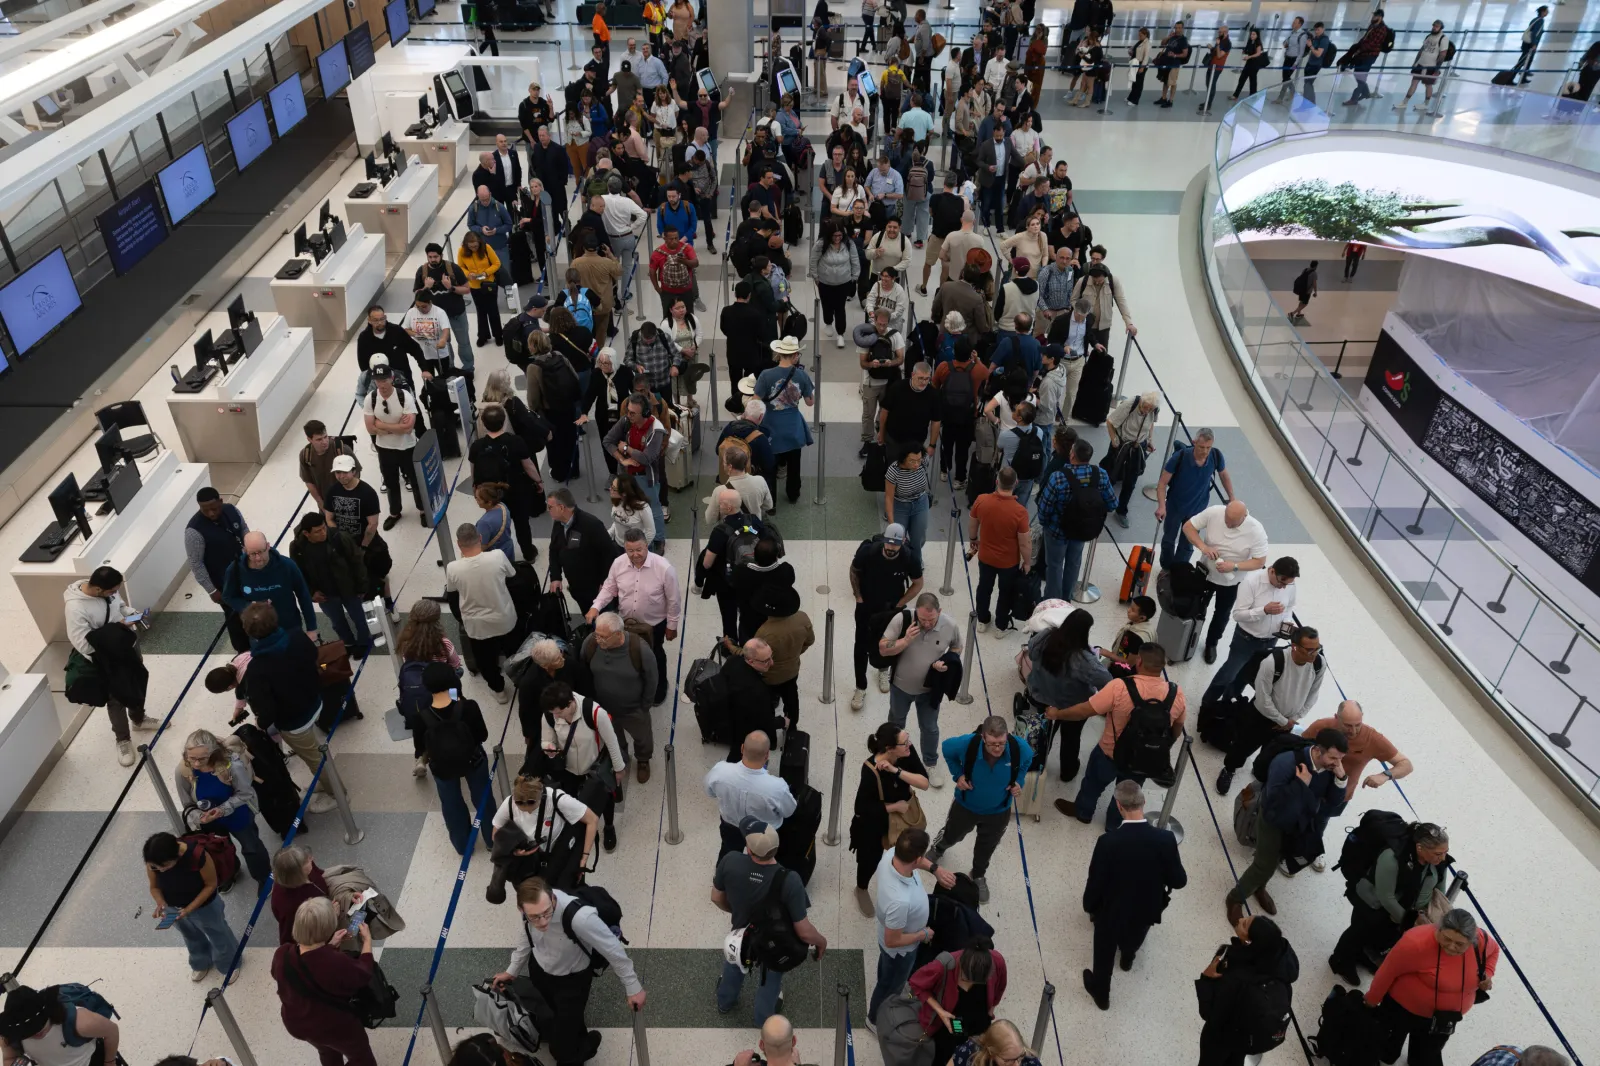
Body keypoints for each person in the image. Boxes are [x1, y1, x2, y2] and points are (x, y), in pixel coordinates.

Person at [492, 878, 645, 1066]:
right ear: (521, 910)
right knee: (563, 1017)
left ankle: (575, 1054)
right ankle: (579, 1038)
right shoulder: (530, 910)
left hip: (572, 982)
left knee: (561, 1049)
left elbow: (613, 950)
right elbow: (526, 936)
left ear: (553, 899)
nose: (542, 921)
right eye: (534, 917)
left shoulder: (580, 917)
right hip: (541, 973)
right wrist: (512, 970)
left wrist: (633, 987)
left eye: (547, 913)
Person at [1048, 643, 1187, 829]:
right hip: (1144, 758)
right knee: (1128, 794)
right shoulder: (1176, 693)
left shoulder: (1120, 687)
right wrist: (1161, 746)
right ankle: (1114, 824)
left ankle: (1083, 812)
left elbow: (1084, 711)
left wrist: (1058, 714)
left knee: (1093, 783)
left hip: (1109, 752)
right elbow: (1177, 727)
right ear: (1162, 666)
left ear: (1139, 661)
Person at [1080, 781, 1187, 1010]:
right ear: (1143, 802)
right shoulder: (1165, 840)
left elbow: (1096, 879)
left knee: (1104, 950)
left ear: (1118, 806)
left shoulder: (1108, 842)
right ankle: (1128, 958)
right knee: (1135, 935)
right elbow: (1179, 880)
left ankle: (1102, 994)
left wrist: (1089, 904)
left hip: (1111, 910)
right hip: (1146, 906)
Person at [1225, 727, 1349, 923]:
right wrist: (1300, 785)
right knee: (1263, 865)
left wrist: (1341, 779)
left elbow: (1333, 802)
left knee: (1278, 859)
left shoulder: (1332, 769)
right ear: (1318, 750)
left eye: (1340, 759)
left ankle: (1259, 887)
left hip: (1298, 824)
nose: (1337, 763)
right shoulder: (1286, 763)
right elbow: (1273, 802)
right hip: (1274, 822)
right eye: (1334, 758)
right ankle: (1234, 899)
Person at [712, 816, 828, 1024]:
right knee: (771, 978)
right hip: (773, 942)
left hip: (740, 935)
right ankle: (763, 1019)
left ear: (749, 847)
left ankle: (725, 1002)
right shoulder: (790, 880)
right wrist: (821, 941)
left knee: (733, 964)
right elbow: (802, 930)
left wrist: (736, 914)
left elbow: (716, 897)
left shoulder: (730, 861)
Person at [1366, 910, 1500, 1066]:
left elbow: (1494, 951)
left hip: (1443, 1019)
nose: (1451, 946)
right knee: (1387, 1052)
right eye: (1447, 938)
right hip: (1402, 1010)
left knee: (1425, 1057)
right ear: (1439, 929)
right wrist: (1371, 1001)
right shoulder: (1414, 941)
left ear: (1472, 941)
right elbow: (1387, 972)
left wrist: (1487, 974)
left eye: (1459, 944)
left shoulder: (1481, 941)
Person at [240, 602, 338, 813]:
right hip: (314, 700)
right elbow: (313, 656)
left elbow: (265, 710)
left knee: (314, 759)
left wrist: (260, 722)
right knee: (315, 750)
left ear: (249, 632)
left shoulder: (257, 668)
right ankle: (327, 782)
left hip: (294, 721)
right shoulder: (296, 635)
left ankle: (337, 793)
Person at [1329, 822, 1450, 986]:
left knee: (1376, 936)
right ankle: (1340, 960)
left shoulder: (1437, 861)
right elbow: (1385, 897)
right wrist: (1410, 921)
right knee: (1359, 931)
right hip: (1373, 904)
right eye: (1438, 853)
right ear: (1420, 848)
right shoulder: (1392, 858)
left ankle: (1359, 954)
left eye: (1445, 852)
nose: (1443, 858)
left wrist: (1426, 914)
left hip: (1402, 911)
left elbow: (1439, 890)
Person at [926, 715, 1032, 903]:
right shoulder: (968, 744)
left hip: (999, 811)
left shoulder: (1019, 749)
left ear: (1007, 736)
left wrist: (1019, 781)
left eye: (1001, 743)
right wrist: (957, 775)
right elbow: (946, 748)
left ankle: (978, 875)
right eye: (992, 744)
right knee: (953, 834)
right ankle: (938, 847)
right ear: (983, 737)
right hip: (966, 806)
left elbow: (1026, 763)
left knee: (987, 846)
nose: (997, 748)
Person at [1215, 626, 1325, 796]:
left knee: (1272, 752)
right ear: (1295, 646)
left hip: (1289, 720)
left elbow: (1313, 694)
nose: (1315, 653)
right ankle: (1229, 769)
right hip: (1260, 716)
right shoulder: (1273, 662)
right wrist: (1282, 720)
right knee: (1243, 746)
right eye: (1310, 650)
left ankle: (1260, 772)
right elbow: (1262, 699)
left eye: (1317, 648)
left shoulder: (1319, 663)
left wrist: (1294, 718)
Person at [867, 827, 957, 1028]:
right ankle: (874, 1021)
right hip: (899, 951)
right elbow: (893, 940)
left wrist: (936, 869)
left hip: (891, 939)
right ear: (916, 859)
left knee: (887, 975)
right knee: (889, 985)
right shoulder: (899, 901)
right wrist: (922, 934)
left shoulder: (892, 854)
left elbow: (919, 860)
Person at [272, 897, 378, 1066]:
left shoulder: (282, 953)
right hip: (334, 1026)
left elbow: (297, 968)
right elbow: (363, 974)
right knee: (360, 1057)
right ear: (328, 928)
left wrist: (329, 945)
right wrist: (367, 942)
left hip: (296, 1023)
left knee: (326, 1050)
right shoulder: (334, 961)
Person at [64, 564, 152, 764]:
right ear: (97, 590)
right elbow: (83, 644)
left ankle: (139, 719)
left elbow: (120, 607)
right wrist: (118, 627)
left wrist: (133, 614)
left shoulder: (110, 592)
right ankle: (123, 739)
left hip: (127, 647)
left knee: (138, 680)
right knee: (116, 699)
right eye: (112, 591)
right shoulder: (75, 608)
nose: (115, 593)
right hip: (106, 659)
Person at [585, 527, 680, 703]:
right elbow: (609, 587)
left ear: (647, 546)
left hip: (654, 625)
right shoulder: (618, 564)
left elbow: (674, 600)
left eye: (639, 549)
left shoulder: (664, 568)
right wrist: (595, 606)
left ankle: (660, 688)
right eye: (630, 550)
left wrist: (671, 626)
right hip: (626, 624)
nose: (635, 554)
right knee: (631, 655)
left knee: (655, 655)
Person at [880, 592, 963, 786]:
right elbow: (883, 648)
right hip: (901, 685)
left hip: (930, 689)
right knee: (896, 721)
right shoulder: (903, 619)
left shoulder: (949, 626)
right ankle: (892, 755)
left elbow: (956, 648)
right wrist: (906, 640)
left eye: (931, 619)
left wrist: (946, 662)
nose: (926, 624)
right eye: (922, 619)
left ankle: (930, 764)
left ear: (939, 612)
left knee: (930, 727)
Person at [848, 722, 931, 916]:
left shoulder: (906, 754)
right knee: (870, 859)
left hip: (902, 822)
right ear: (890, 748)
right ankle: (861, 888)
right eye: (904, 742)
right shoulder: (870, 770)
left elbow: (924, 783)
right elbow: (862, 808)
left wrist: (897, 771)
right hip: (875, 824)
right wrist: (895, 807)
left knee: (903, 854)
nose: (909, 744)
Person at [1196, 914, 1299, 1066]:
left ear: (1248, 941)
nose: (1240, 919)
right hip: (1247, 1033)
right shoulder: (1280, 964)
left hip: (1222, 1037)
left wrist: (1206, 979)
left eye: (1245, 924)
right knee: (1236, 1059)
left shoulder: (1235, 976)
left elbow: (1208, 1013)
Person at [174, 728, 271, 884]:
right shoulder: (183, 771)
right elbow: (187, 803)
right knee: (220, 849)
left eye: (202, 759)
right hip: (210, 821)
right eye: (192, 758)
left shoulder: (231, 765)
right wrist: (199, 817)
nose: (196, 764)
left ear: (213, 754)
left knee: (251, 847)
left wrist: (222, 809)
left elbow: (245, 794)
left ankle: (264, 878)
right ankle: (231, 872)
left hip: (238, 815)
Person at [1026, 608, 1112, 784]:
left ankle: (1036, 766)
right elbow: (1107, 681)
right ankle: (1067, 771)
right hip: (1073, 706)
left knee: (1041, 735)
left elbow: (1031, 652)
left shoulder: (1046, 636)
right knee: (1071, 739)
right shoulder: (1085, 659)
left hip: (1041, 697)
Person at [143, 830, 242, 983]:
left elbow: (210, 885)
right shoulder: (154, 862)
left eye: (165, 866)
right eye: (155, 867)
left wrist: (189, 909)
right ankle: (201, 961)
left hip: (204, 905)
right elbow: (154, 887)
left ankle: (230, 964)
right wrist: (160, 902)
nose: (160, 870)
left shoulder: (198, 855)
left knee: (218, 933)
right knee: (189, 934)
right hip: (172, 906)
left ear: (177, 856)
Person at [1201, 557, 1300, 705]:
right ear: (1272, 571)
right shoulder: (1251, 582)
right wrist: (1264, 610)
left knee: (1246, 675)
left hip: (1271, 640)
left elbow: (1289, 607)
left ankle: (1228, 703)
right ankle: (1208, 703)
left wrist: (1287, 622)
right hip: (1245, 639)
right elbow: (1238, 615)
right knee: (1229, 674)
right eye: (1281, 582)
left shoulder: (1289, 585)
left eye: (1288, 584)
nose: (1283, 587)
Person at [418, 662, 492, 855]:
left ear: (426, 686)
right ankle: (492, 839)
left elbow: (420, 747)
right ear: (453, 681)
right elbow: (482, 736)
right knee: (483, 799)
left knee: (452, 805)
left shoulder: (422, 716)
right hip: (474, 761)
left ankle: (462, 845)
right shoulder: (469, 707)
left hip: (442, 767)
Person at [488, 774, 598, 903]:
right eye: (519, 804)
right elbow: (496, 832)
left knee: (563, 895)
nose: (526, 809)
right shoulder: (509, 803)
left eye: (531, 803)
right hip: (528, 860)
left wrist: (584, 858)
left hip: (557, 853)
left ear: (539, 795)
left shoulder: (557, 799)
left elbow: (592, 820)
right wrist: (514, 851)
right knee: (530, 897)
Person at [1183, 500, 1269, 664]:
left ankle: (1211, 643)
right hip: (1205, 573)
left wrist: (1234, 566)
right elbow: (1188, 527)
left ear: (1244, 516)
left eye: (1232, 523)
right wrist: (1203, 547)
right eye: (1226, 519)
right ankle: (1187, 637)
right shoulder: (1214, 512)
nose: (1228, 524)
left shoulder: (1256, 531)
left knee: (1221, 614)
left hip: (1231, 583)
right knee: (1195, 606)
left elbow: (1259, 561)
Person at [850, 526, 925, 710]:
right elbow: (854, 571)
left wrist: (900, 603)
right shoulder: (868, 551)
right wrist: (858, 597)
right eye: (889, 544)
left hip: (891, 609)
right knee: (861, 646)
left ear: (902, 543)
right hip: (866, 606)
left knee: (887, 642)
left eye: (896, 545)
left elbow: (918, 583)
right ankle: (861, 686)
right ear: (884, 540)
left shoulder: (909, 557)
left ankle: (883, 670)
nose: (891, 548)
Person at [444, 523, 519, 703]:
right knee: (515, 652)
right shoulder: (498, 556)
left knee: (485, 660)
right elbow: (512, 577)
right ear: (479, 538)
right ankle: (520, 680)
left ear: (458, 544)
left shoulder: (453, 568)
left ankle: (498, 690)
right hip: (505, 619)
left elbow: (453, 596)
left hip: (477, 626)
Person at [580, 612, 659, 781]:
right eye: (597, 634)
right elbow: (584, 670)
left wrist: (645, 706)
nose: (598, 640)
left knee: (642, 737)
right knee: (613, 736)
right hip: (604, 707)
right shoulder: (591, 644)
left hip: (634, 708)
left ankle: (643, 760)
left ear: (618, 634)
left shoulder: (639, 649)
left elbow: (652, 679)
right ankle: (621, 757)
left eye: (603, 637)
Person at [1036, 438, 1117, 602]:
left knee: (1054, 566)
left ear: (1072, 455)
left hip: (1057, 532)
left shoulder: (1058, 477)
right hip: (1083, 530)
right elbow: (1112, 503)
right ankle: (1067, 600)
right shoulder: (1100, 474)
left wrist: (1046, 525)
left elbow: (1045, 508)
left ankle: (1052, 601)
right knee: (1074, 564)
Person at [909, 939, 1006, 1066]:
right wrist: (940, 1011)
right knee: (949, 1053)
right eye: (966, 979)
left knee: (979, 1056)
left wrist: (991, 1009)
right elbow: (916, 984)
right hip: (954, 1020)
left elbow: (1000, 986)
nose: (970, 984)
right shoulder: (942, 966)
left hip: (980, 1020)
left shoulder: (996, 960)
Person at [289, 513, 372, 658]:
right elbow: (298, 573)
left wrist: (361, 586)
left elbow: (357, 561)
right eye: (318, 531)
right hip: (325, 595)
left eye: (324, 528)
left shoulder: (339, 538)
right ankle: (348, 643)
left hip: (349, 589)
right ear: (306, 533)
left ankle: (364, 642)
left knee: (359, 617)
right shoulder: (298, 548)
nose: (323, 533)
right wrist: (311, 592)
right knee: (337, 622)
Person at [705, 731, 797, 861]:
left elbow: (710, 792)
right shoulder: (777, 787)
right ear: (767, 755)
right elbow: (789, 811)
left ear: (742, 748)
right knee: (765, 860)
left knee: (728, 851)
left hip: (730, 825)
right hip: (764, 833)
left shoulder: (719, 771)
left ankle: (722, 876)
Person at [1302, 699, 1415, 803]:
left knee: (1320, 823)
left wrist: (1384, 775)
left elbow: (1406, 765)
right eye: (1348, 726)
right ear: (1336, 717)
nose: (1353, 731)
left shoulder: (1373, 738)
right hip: (1306, 786)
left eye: (1358, 725)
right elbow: (1298, 748)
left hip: (1337, 796)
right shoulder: (1320, 726)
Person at [1154, 428, 1232, 570]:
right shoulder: (1180, 457)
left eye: (1209, 447)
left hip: (1197, 509)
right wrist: (1161, 506)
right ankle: (1166, 568)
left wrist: (1231, 498)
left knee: (1188, 543)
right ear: (1194, 442)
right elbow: (1162, 483)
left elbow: (1224, 475)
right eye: (1202, 447)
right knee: (1169, 539)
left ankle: (1178, 571)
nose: (1205, 451)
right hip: (1175, 506)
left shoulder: (1215, 456)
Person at [361, 364, 428, 528]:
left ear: (391, 378)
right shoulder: (371, 398)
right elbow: (370, 428)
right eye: (378, 381)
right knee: (391, 481)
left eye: (384, 380)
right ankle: (394, 512)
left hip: (408, 447)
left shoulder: (404, 396)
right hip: (385, 449)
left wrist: (382, 425)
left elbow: (408, 428)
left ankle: (423, 510)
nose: (381, 385)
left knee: (416, 479)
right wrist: (396, 427)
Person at [185, 488, 251, 652]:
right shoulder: (194, 531)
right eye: (205, 510)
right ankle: (243, 651)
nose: (211, 513)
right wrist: (212, 590)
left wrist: (251, 548)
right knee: (235, 617)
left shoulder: (232, 511)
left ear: (220, 501)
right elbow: (196, 564)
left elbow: (244, 530)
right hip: (224, 584)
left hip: (247, 572)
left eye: (214, 508)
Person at [323, 456, 392, 609]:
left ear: (354, 471)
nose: (341, 476)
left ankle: (388, 600)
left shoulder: (367, 493)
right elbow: (329, 517)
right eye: (338, 473)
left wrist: (363, 547)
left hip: (367, 543)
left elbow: (372, 524)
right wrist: (339, 538)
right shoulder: (332, 491)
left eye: (345, 472)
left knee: (380, 573)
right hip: (346, 544)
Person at [755, 337, 817, 506]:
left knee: (770, 466)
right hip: (793, 426)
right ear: (795, 355)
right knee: (794, 463)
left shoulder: (766, 375)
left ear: (779, 353)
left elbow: (755, 401)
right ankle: (793, 493)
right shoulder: (802, 375)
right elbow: (810, 402)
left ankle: (771, 501)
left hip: (770, 425)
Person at [968, 466, 1030, 634]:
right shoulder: (1020, 512)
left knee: (984, 588)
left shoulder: (981, 500)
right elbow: (1024, 543)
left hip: (986, 557)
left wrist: (973, 540)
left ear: (997, 481)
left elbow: (973, 523)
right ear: (1016, 483)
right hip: (1008, 562)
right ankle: (1000, 626)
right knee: (1006, 592)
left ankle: (982, 620)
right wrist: (1027, 562)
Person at [223, 530, 318, 636]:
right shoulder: (235, 570)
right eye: (253, 554)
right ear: (245, 551)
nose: (258, 558)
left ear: (268, 546)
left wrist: (312, 628)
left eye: (261, 551)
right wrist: (249, 606)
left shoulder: (287, 565)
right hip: (259, 633)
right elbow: (228, 597)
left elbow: (303, 595)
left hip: (290, 628)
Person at [0, 984, 122, 1066]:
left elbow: (112, 1031)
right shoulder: (9, 1037)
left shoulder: (80, 1021)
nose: (36, 1033)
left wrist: (110, 1062)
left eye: (38, 1026)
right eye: (27, 1032)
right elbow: (8, 1059)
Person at [547, 488, 621, 615]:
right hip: (577, 588)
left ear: (561, 507)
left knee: (605, 620)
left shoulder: (591, 525)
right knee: (587, 615)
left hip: (596, 590)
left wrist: (604, 582)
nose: (548, 510)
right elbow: (554, 550)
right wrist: (555, 577)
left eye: (550, 507)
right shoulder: (559, 523)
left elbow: (609, 554)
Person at [754, 585, 813, 730]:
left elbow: (754, 658)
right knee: (792, 698)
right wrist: (795, 654)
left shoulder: (764, 632)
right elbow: (809, 641)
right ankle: (792, 728)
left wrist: (732, 648)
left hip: (769, 677)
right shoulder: (802, 618)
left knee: (766, 704)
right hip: (792, 670)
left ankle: (771, 737)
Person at [1102, 391, 1158, 527]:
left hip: (1138, 446)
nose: (1147, 411)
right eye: (1145, 407)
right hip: (1121, 444)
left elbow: (1150, 424)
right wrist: (1114, 439)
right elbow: (1110, 421)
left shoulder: (1154, 409)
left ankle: (1121, 511)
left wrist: (1150, 439)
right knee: (1111, 474)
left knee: (1131, 480)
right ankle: (1102, 503)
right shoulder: (1130, 404)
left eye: (1150, 409)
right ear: (1140, 403)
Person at [270, 844, 330, 942]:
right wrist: (330, 914)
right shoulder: (290, 907)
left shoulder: (305, 864)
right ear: (296, 874)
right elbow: (298, 937)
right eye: (306, 861)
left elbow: (320, 874)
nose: (311, 859)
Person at [298, 420, 360, 512]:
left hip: (348, 500)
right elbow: (309, 481)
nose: (324, 442)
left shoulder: (342, 450)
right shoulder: (305, 455)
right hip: (326, 503)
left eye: (325, 437)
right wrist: (321, 504)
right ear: (309, 439)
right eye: (319, 439)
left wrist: (350, 497)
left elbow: (356, 473)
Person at [884, 442, 934, 555]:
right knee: (899, 539)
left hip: (920, 502)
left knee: (919, 538)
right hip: (900, 506)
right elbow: (888, 497)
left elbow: (925, 456)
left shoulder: (924, 461)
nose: (916, 464)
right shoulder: (893, 471)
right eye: (912, 461)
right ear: (903, 458)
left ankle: (915, 562)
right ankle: (902, 561)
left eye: (918, 460)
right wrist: (892, 524)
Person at [458, 230, 505, 347]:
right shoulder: (461, 251)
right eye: (471, 246)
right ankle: (483, 336)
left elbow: (496, 263)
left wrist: (485, 273)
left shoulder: (486, 248)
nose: (474, 248)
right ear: (466, 245)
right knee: (481, 311)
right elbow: (460, 267)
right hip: (474, 286)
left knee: (493, 310)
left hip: (489, 283)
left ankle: (498, 335)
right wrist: (468, 274)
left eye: (476, 246)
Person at [1396, 21, 1452, 112]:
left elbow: (1442, 55)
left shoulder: (1443, 39)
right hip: (1420, 64)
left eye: (1436, 26)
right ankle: (1404, 102)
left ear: (1441, 28)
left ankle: (1426, 104)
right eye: (1433, 25)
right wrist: (1415, 63)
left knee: (1428, 85)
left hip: (1431, 66)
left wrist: (1436, 69)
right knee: (1414, 82)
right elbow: (1422, 50)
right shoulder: (1429, 36)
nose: (1434, 27)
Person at [1341, 10, 1391, 106]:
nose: (1373, 17)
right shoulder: (1372, 26)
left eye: (1375, 16)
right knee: (1357, 73)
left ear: (1380, 17)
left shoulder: (1382, 29)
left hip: (1370, 55)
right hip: (1362, 54)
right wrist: (1357, 47)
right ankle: (1366, 93)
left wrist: (1359, 49)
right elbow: (1365, 38)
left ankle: (1354, 99)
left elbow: (1373, 44)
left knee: (1361, 76)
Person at [951, 1019, 1042, 1066]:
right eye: (1007, 1060)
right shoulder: (967, 1054)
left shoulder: (1030, 1061)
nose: (1017, 1065)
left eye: (1020, 1056)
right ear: (991, 1052)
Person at [1510, 5, 1548, 84]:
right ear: (1542, 12)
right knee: (1524, 61)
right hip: (1530, 44)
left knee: (1526, 60)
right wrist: (1534, 44)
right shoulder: (1541, 21)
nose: (1547, 13)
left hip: (1526, 43)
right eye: (1546, 11)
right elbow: (1534, 34)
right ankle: (1511, 78)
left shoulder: (1535, 19)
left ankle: (1523, 76)